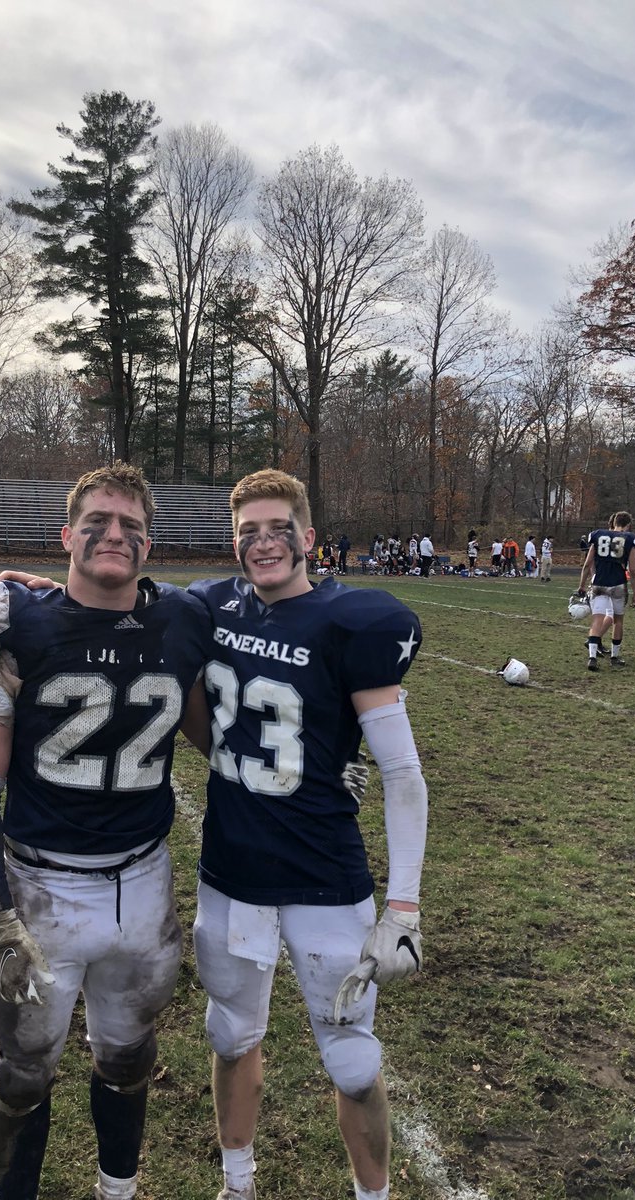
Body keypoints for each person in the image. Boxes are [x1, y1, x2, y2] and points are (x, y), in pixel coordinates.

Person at [0, 463, 211, 1200]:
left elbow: (223, 725)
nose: (113, 535)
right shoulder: (15, 623)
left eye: (130, 526)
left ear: (150, 545)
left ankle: (116, 1190)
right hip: (40, 888)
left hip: (143, 882)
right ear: (67, 534)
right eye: (96, 521)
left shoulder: (182, 619)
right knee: (24, 1072)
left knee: (128, 1058)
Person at [188, 469, 427, 1200]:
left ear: (308, 536)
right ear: (234, 542)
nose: (263, 542)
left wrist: (406, 906)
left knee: (353, 1065)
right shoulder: (210, 606)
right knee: (231, 1035)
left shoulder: (352, 619)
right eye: (248, 531)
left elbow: (404, 774)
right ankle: (237, 1183)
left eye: (277, 527)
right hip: (233, 871)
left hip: (325, 872)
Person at [577, 510, 635, 671]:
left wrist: (582, 585)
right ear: (628, 524)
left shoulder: (598, 535)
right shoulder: (631, 538)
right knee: (618, 620)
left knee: (597, 619)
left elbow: (587, 564)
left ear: (614, 522)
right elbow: (633, 569)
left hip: (599, 583)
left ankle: (592, 657)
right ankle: (614, 656)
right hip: (618, 584)